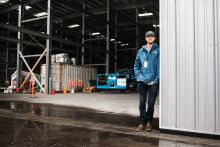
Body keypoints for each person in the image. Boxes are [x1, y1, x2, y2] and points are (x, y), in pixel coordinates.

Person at [134, 31, 159, 132]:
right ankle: (141, 123)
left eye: (151, 36)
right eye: (148, 36)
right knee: (142, 103)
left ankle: (149, 122)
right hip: (142, 80)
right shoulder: (141, 51)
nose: (150, 38)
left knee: (151, 103)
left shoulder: (158, 50)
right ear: (145, 38)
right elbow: (136, 64)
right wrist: (138, 76)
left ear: (154, 38)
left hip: (154, 81)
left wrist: (157, 78)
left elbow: (160, 65)